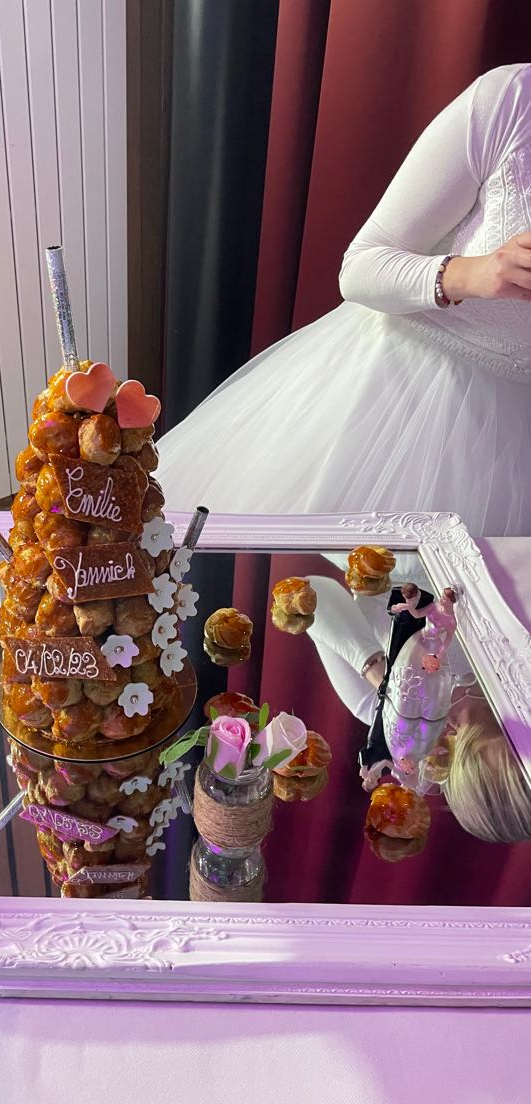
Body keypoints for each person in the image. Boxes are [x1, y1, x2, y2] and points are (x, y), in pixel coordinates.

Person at [157, 64, 531, 538]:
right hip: (394, 400)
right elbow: (361, 266)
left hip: (514, 442)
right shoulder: (510, 101)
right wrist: (476, 273)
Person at [303, 573, 531, 843]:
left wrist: (382, 678)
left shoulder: (383, 717)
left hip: (368, 555)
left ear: (477, 784)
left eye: (518, 780)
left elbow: (312, 592)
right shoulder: (521, 675)